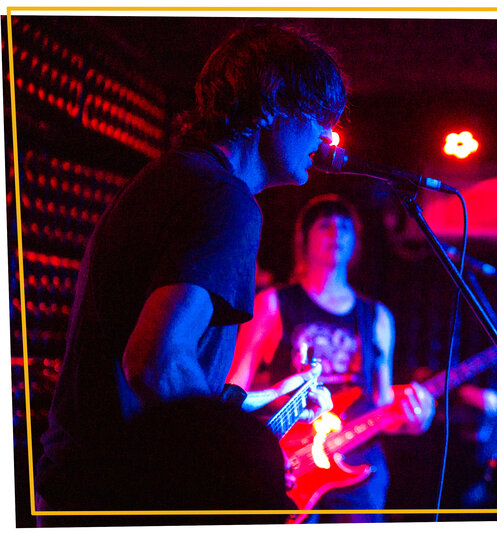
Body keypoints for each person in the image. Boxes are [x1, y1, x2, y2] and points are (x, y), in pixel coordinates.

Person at [34, 23, 343, 522]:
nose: (324, 135)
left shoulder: (173, 178)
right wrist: (242, 465)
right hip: (129, 497)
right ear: (273, 105)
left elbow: (166, 367)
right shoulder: (226, 199)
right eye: (316, 114)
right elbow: (156, 363)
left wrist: (260, 403)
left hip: (84, 486)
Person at [228, 194, 435, 522]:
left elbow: (382, 403)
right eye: (325, 225)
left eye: (345, 227)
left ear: (355, 242)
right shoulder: (273, 303)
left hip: (359, 466)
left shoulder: (377, 317)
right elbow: (233, 393)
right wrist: (262, 452)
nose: (336, 233)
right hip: (291, 461)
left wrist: (415, 420)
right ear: (303, 239)